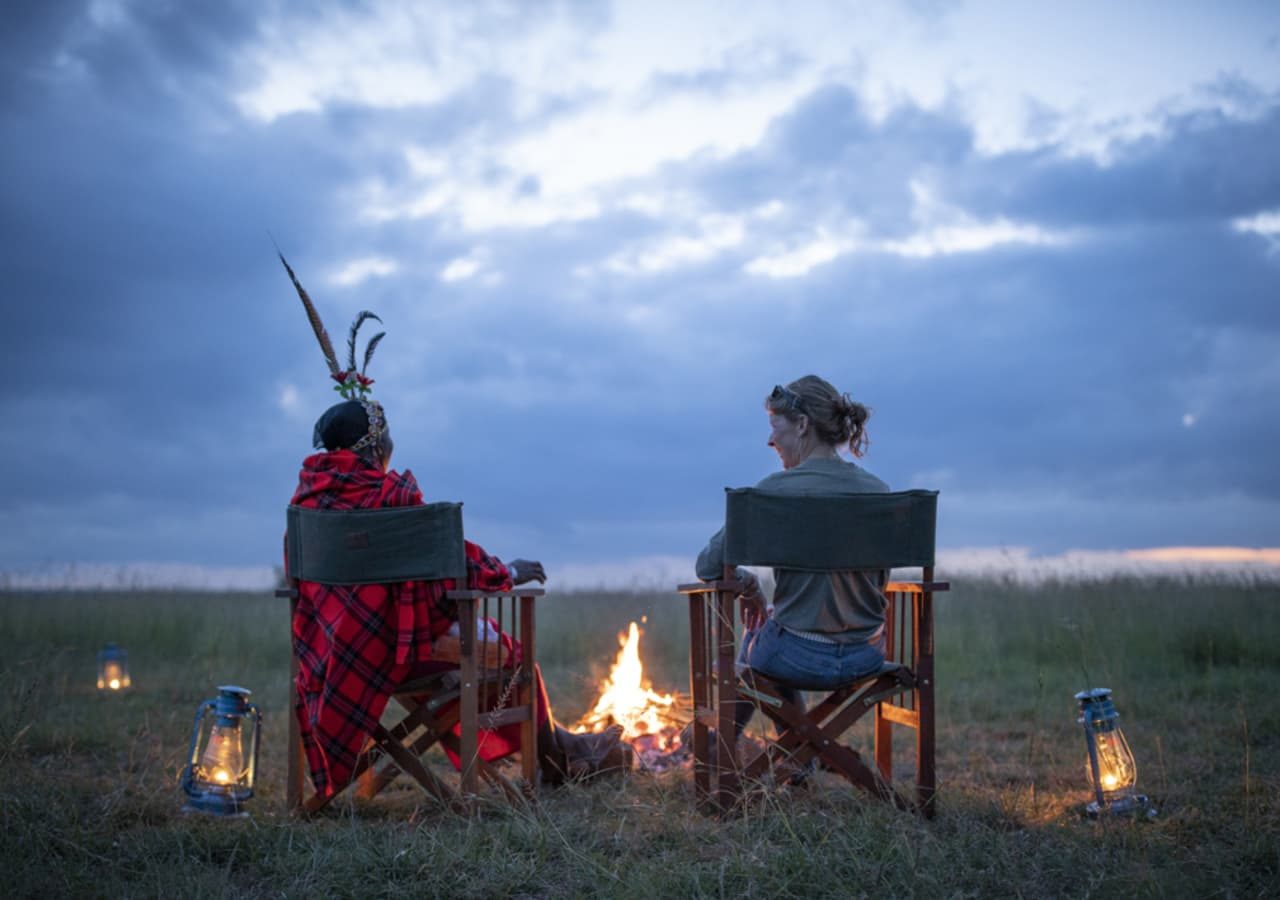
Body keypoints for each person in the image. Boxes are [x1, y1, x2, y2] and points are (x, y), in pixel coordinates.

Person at [280, 258, 626, 800]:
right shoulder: (389, 499)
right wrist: (506, 572)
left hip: (328, 656)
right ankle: (556, 759)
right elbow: (451, 559)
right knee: (511, 655)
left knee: (482, 649)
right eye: (388, 435)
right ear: (373, 446)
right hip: (398, 647)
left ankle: (565, 750)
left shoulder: (306, 508)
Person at [695, 375, 890, 741]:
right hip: (867, 655)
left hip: (794, 656)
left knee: (761, 638)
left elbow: (707, 566)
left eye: (774, 426)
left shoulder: (773, 493)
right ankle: (799, 758)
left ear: (802, 425)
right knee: (773, 627)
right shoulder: (879, 492)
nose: (770, 440)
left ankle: (722, 748)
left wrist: (748, 584)